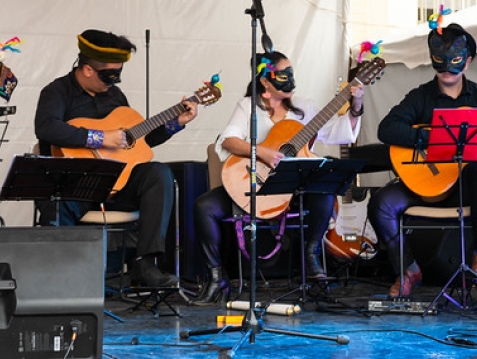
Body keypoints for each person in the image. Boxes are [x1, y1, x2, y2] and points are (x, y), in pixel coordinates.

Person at [192, 50, 364, 305]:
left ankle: (311, 254)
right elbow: (228, 140)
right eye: (284, 75)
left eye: (291, 73)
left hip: (295, 190)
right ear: (265, 81)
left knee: (325, 192)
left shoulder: (305, 107)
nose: (291, 81)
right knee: (203, 206)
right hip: (256, 184)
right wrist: (261, 151)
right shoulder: (249, 107)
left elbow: (339, 134)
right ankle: (217, 279)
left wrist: (356, 104)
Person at [34, 29, 198, 288]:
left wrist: (174, 124)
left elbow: (138, 141)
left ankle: (144, 264)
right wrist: (99, 138)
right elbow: (46, 128)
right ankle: (62, 281)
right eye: (108, 75)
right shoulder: (56, 92)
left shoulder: (115, 97)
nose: (112, 82)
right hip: (75, 187)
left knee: (158, 173)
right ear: (87, 69)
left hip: (116, 186)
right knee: (56, 201)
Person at [368, 22, 477, 298]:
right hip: (425, 185)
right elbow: (387, 128)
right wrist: (431, 139)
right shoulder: (421, 97)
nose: (446, 70)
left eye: (454, 61)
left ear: (468, 62)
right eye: (439, 62)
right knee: (382, 203)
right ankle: (408, 269)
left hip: (467, 191)